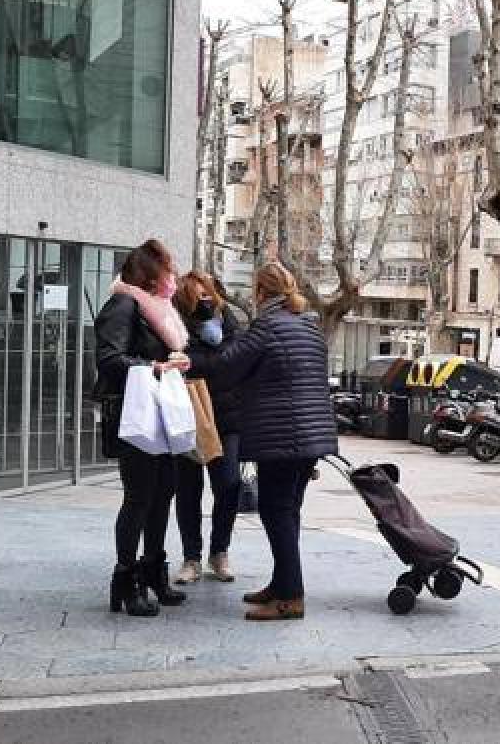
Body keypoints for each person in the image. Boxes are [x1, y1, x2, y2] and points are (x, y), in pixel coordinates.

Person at [188, 262, 337, 621]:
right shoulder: (308, 325)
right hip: (311, 434)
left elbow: (226, 368)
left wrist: (189, 359)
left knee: (275, 512)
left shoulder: (267, 326)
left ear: (260, 292)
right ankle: (282, 584)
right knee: (289, 513)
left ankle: (291, 598)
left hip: (282, 435)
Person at [93, 239, 190, 617]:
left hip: (159, 411)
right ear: (151, 274)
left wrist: (179, 360)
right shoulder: (123, 304)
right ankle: (126, 577)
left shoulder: (159, 310)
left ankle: (154, 569)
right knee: (139, 496)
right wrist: (155, 367)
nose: (174, 277)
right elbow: (109, 359)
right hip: (134, 414)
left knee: (164, 490)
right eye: (168, 269)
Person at [172, 272, 244, 585]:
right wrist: (206, 360)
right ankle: (191, 557)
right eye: (197, 296)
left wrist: (198, 361)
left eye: (208, 295)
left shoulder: (227, 320)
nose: (204, 301)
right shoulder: (174, 324)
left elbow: (232, 360)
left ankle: (220, 551)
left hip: (226, 418)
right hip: (188, 417)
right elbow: (183, 359)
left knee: (228, 485)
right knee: (188, 490)